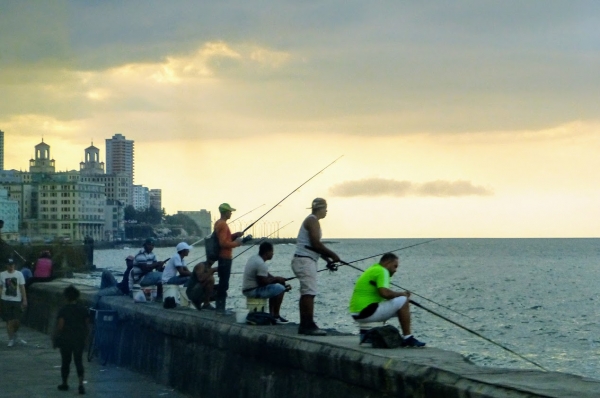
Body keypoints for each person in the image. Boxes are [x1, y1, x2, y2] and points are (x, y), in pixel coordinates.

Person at [349, 253, 425, 347]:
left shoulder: (373, 269)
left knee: (399, 308)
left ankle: (368, 334)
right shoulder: (382, 271)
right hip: (367, 312)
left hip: (357, 313)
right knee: (403, 300)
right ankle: (408, 338)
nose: (395, 270)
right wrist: (402, 294)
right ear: (388, 262)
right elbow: (385, 293)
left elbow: (384, 295)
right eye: (395, 266)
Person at [291, 198, 340, 336]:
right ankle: (308, 325)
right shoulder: (312, 221)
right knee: (309, 292)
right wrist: (333, 255)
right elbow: (315, 244)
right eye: (325, 209)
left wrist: (327, 260)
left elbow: (314, 247)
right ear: (320, 208)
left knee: (307, 292)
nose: (326, 211)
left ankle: (305, 324)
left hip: (306, 259)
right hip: (305, 261)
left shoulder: (312, 220)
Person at [53, 285, 90, 394]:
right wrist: (87, 338)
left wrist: (55, 337)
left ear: (66, 297)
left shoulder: (63, 310)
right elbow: (87, 325)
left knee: (66, 362)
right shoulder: (83, 309)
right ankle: (81, 384)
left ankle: (65, 383)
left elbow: (60, 326)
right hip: (79, 338)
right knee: (78, 361)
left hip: (66, 339)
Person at [242, 242, 290, 323]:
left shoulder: (254, 258)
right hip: (252, 291)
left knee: (277, 287)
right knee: (280, 289)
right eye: (272, 251)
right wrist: (277, 280)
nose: (273, 254)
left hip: (247, 289)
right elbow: (263, 282)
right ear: (267, 252)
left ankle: (272, 315)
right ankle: (276, 316)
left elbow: (266, 275)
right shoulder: (261, 264)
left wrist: (277, 279)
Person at [214, 203, 244, 314]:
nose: (231, 213)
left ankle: (220, 307)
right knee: (224, 283)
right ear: (225, 212)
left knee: (223, 282)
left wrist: (235, 235)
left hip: (223, 257)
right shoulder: (222, 225)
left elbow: (224, 239)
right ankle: (220, 309)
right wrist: (237, 243)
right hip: (225, 257)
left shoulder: (219, 223)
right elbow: (222, 243)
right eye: (230, 211)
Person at [0, 258, 28, 347]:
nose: (11, 266)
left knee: (17, 321)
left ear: (14, 265)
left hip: (16, 300)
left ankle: (14, 335)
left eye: (12, 265)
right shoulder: (2, 275)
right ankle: (11, 339)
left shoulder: (19, 274)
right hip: (5, 300)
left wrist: (24, 299)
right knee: (9, 321)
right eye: (9, 265)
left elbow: (22, 287)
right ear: (6, 265)